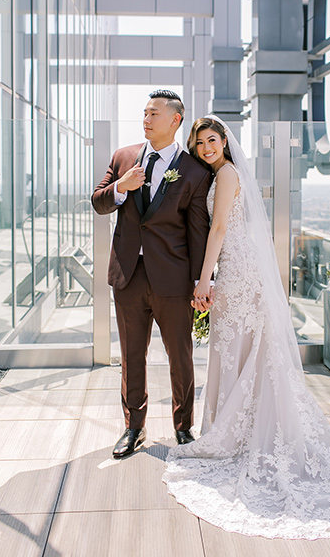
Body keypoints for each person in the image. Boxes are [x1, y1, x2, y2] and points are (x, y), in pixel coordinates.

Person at [163, 115, 330, 540]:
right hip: (242, 270)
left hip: (237, 272)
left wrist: (204, 279)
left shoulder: (225, 175)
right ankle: (244, 431)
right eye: (199, 143)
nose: (206, 148)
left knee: (240, 352)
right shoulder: (228, 172)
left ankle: (238, 436)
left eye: (211, 140)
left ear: (225, 140)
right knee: (250, 354)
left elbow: (220, 227)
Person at [91, 91, 210, 459]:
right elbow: (98, 201)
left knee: (180, 355)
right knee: (131, 356)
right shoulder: (123, 157)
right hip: (128, 275)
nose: (146, 118)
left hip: (173, 280)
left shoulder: (194, 170)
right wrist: (120, 188)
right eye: (144, 112)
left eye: (154, 113)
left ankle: (183, 427)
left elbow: (197, 233)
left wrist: (198, 283)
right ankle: (133, 427)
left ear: (175, 120)